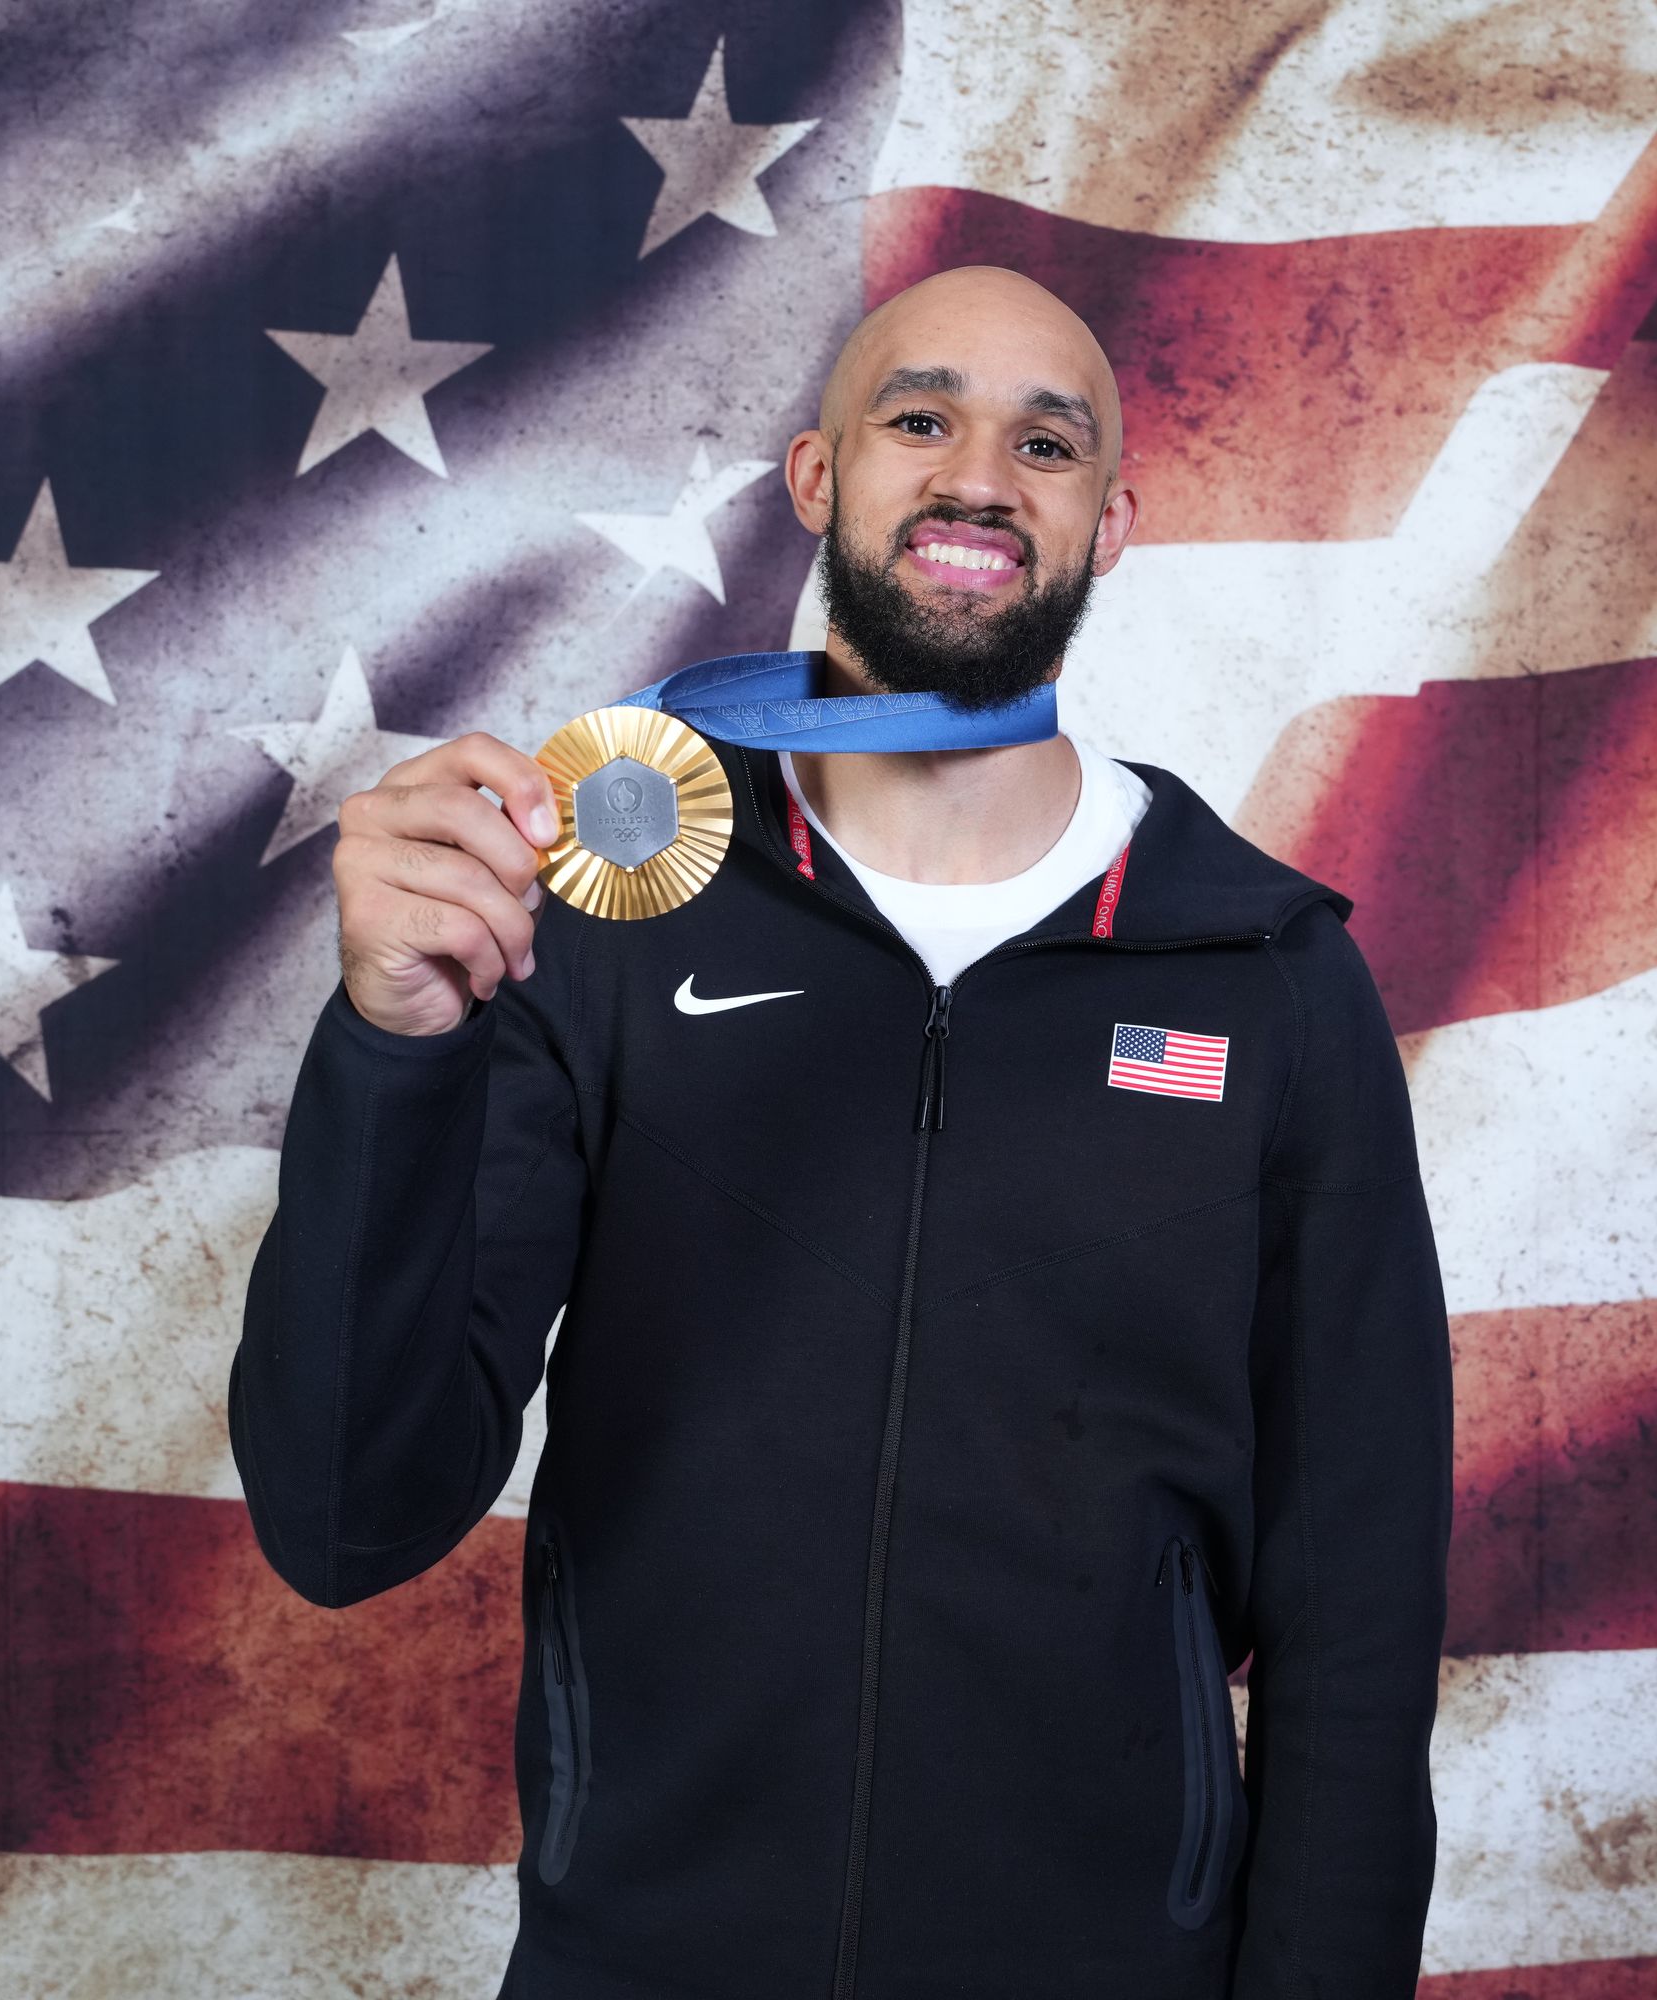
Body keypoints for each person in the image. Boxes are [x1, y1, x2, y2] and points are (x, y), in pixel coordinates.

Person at [229, 263, 1451, 1998]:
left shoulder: (1273, 982)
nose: (978, 476)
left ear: (1113, 525)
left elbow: (1361, 1620)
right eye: (921, 417)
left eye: (1047, 442)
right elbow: (343, 1517)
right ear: (819, 479)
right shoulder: (610, 918)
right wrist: (395, 1052)